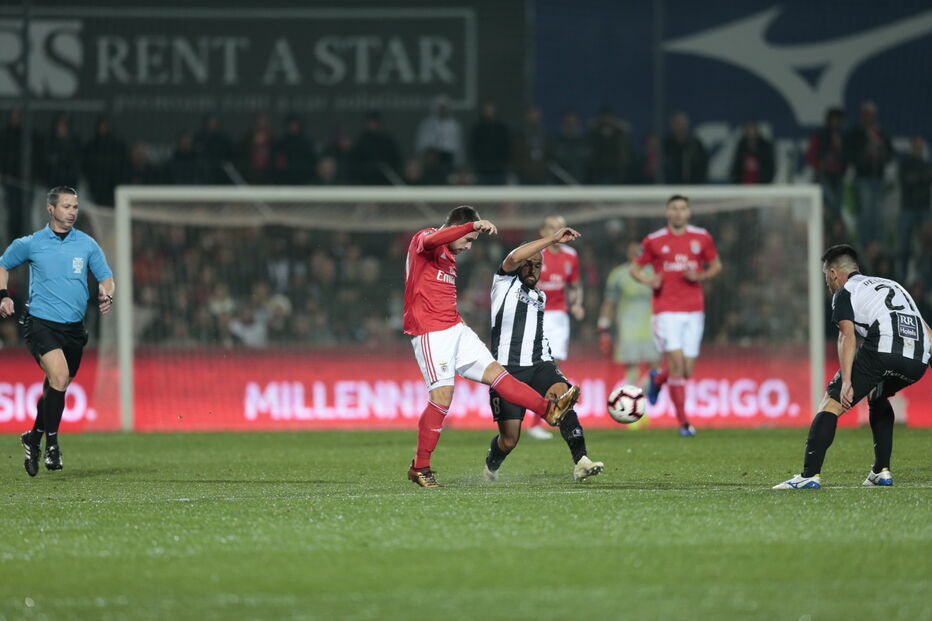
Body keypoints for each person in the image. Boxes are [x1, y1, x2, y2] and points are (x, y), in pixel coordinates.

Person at [404, 206, 580, 487]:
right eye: (467, 240)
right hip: (431, 332)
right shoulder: (424, 239)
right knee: (442, 397)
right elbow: (434, 239)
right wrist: (472, 227)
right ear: (458, 228)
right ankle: (420, 467)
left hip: (455, 328)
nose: (468, 246)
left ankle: (549, 410)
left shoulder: (449, 255)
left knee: (498, 375)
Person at [774, 245, 930, 490]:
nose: (828, 285)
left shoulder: (845, 292)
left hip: (883, 349)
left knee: (831, 402)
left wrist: (846, 381)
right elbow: (926, 330)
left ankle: (809, 475)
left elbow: (847, 337)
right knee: (877, 395)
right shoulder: (893, 285)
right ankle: (881, 471)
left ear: (833, 273)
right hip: (918, 359)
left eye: (827, 278)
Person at [0, 187, 114, 476]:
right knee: (60, 377)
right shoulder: (31, 243)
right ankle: (52, 446)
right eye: (66, 206)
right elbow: (3, 264)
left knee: (55, 387)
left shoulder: (87, 244)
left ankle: (33, 437)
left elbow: (107, 277)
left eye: (75, 206)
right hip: (41, 323)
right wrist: (3, 295)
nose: (72, 211)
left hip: (74, 329)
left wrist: (107, 293)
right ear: (50, 209)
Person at [484, 226, 604, 482]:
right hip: (506, 369)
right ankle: (492, 463)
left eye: (537, 265)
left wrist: (549, 359)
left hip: (540, 363)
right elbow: (514, 257)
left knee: (564, 401)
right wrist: (552, 240)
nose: (532, 269)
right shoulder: (504, 282)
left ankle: (581, 460)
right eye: (527, 264)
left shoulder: (540, 296)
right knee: (509, 439)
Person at [631, 195, 721, 436]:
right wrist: (649, 280)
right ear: (667, 212)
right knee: (677, 365)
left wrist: (700, 276)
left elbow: (716, 265)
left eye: (682, 208)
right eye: (674, 208)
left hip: (694, 311)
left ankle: (657, 380)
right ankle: (684, 423)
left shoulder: (701, 237)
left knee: (686, 371)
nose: (678, 212)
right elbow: (634, 268)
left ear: (688, 212)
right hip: (666, 310)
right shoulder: (654, 240)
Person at [526, 215, 584, 440]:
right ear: (543, 232)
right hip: (537, 314)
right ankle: (530, 416)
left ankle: (536, 422)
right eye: (552, 228)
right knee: (538, 367)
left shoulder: (571, 255)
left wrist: (577, 303)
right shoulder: (535, 254)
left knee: (554, 366)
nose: (557, 231)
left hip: (559, 316)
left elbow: (575, 285)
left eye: (560, 227)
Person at [599, 240, 660, 386]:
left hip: (652, 327)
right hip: (628, 329)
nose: (636, 254)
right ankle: (634, 395)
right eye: (633, 251)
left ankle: (645, 394)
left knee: (655, 365)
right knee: (631, 367)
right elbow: (609, 301)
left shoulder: (655, 272)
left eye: (639, 251)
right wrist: (603, 326)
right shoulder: (618, 274)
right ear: (627, 253)